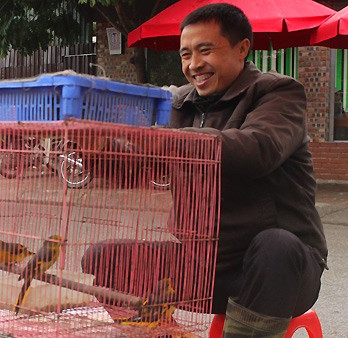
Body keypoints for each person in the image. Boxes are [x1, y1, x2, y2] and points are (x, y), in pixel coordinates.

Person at [82, 3, 327, 337]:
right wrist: (95, 146)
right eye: (185, 54)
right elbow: (140, 166)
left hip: (278, 271)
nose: (194, 64)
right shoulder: (181, 104)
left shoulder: (277, 93)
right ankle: (159, 332)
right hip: (205, 266)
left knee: (276, 245)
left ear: (242, 49)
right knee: (105, 258)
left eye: (205, 50)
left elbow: (257, 150)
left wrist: (160, 140)